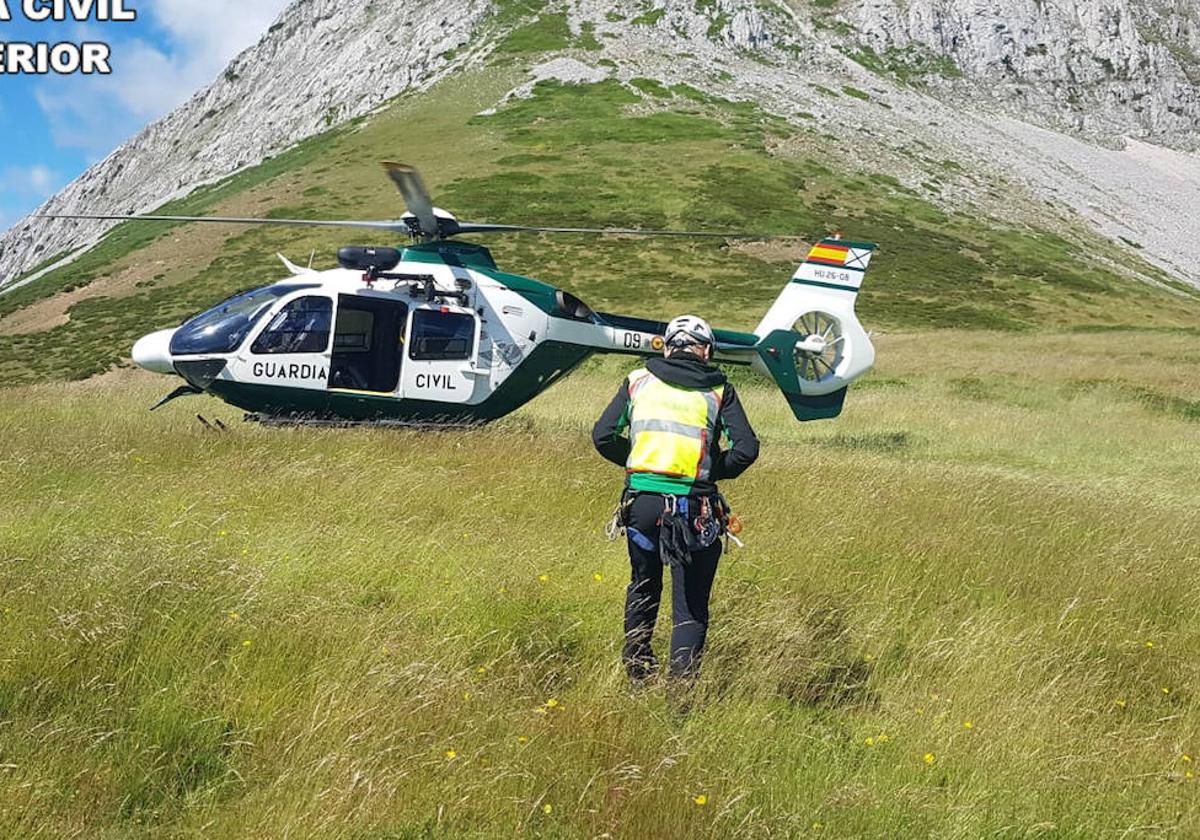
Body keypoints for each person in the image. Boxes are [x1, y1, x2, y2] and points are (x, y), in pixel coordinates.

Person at [592, 315, 760, 684]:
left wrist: (639, 462)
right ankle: (680, 699)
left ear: (667, 346)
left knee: (643, 585)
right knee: (690, 607)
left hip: (643, 505)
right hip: (694, 509)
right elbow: (746, 450)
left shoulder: (637, 381)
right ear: (707, 350)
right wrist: (710, 470)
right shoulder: (719, 390)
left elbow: (603, 435)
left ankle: (637, 676)